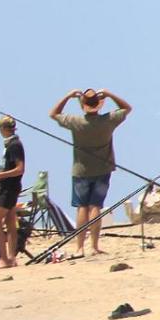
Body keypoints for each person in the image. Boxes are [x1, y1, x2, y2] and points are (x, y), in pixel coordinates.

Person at [50, 88, 132, 256]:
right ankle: (93, 246)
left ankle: (79, 248)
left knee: (82, 207)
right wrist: (109, 94)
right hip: (103, 169)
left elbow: (54, 113)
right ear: (99, 104)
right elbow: (127, 108)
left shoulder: (76, 122)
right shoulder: (108, 120)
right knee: (95, 206)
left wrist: (68, 96)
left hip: (81, 171)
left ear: (83, 105)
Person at [0, 116, 25, 268]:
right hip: (6, 187)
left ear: (4, 129)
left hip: (9, 188)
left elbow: (20, 169)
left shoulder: (14, 145)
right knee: (10, 222)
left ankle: (4, 258)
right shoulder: (10, 144)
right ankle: (11, 258)